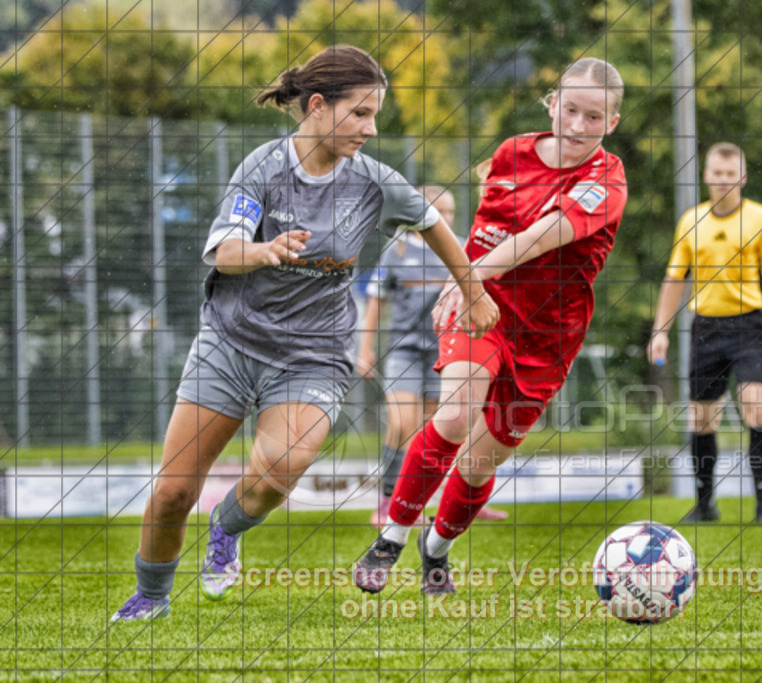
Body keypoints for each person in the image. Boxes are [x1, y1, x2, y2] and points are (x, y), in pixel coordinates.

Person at [110, 45, 498, 622]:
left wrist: (473, 290)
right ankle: (150, 597)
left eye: (375, 114)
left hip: (313, 355)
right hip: (231, 342)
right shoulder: (263, 168)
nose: (371, 127)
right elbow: (223, 250)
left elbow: (435, 224)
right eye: (360, 113)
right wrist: (266, 251)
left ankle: (226, 528)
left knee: (281, 470)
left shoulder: (374, 182)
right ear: (318, 106)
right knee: (172, 491)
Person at [354, 57, 628, 595]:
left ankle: (437, 549)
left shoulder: (607, 180)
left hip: (549, 338)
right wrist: (469, 286)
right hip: (484, 309)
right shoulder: (510, 154)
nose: (576, 125)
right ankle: (389, 537)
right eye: (569, 109)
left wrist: (467, 274)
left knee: (481, 460)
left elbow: (545, 236)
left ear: (611, 123)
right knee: (454, 416)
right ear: (552, 103)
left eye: (593, 117)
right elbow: (487, 231)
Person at [647, 142, 762, 525]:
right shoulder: (690, 221)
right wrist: (660, 331)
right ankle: (704, 505)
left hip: (750, 325)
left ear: (742, 178)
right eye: (717, 174)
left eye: (731, 175)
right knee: (702, 419)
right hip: (706, 328)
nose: (724, 181)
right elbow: (673, 281)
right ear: (706, 176)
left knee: (757, 406)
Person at [357, 185, 508, 527]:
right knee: (400, 424)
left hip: (446, 352)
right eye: (438, 211)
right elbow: (374, 305)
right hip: (403, 351)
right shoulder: (394, 251)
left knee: (443, 431)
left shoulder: (461, 249)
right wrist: (364, 349)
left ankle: (462, 500)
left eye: (451, 212)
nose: (446, 218)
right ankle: (386, 503)